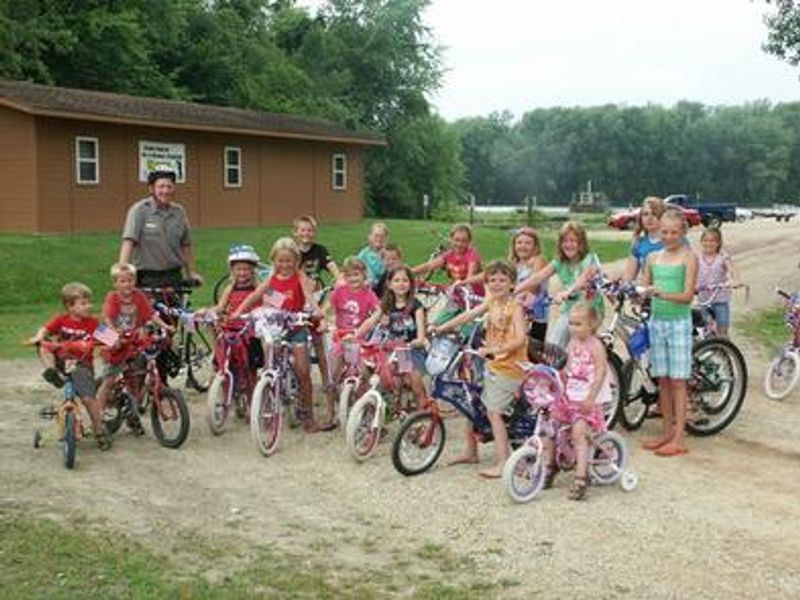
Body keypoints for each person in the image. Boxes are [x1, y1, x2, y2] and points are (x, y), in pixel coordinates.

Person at [430, 260, 527, 478]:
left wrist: (494, 348)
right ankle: (471, 452)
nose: (496, 284)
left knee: (494, 413)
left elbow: (521, 339)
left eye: (502, 280)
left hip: (510, 368)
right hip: (493, 363)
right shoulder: (492, 302)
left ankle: (503, 462)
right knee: (471, 403)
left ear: (512, 284)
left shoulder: (515, 307)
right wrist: (442, 327)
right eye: (492, 280)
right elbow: (470, 315)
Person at [232, 238, 327, 432]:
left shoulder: (299, 277)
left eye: (288, 261)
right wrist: (239, 311)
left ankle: (308, 416)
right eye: (280, 261)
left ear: (296, 261)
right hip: (275, 327)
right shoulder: (271, 277)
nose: (284, 265)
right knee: (269, 366)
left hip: (296, 327)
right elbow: (255, 295)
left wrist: (317, 311)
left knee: (303, 372)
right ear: (273, 260)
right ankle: (266, 404)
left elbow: (309, 295)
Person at [26, 283, 111, 451]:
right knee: (44, 347)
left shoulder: (92, 323)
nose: (89, 306)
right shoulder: (61, 320)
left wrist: (111, 339)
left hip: (81, 365)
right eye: (83, 303)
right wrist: (39, 337)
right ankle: (52, 372)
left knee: (89, 400)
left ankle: (99, 431)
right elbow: (45, 328)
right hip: (61, 362)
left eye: (89, 302)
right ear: (69, 306)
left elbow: (111, 338)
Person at [642, 208, 698, 457]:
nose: (669, 236)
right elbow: (644, 287)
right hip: (657, 322)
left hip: (678, 323)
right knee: (662, 379)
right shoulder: (653, 257)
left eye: (674, 232)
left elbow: (687, 297)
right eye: (664, 231)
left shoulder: (689, 257)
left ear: (683, 232)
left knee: (678, 380)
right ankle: (665, 432)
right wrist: (639, 292)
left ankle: (679, 437)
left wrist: (659, 293)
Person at [543, 302, 611, 500]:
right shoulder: (572, 343)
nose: (573, 327)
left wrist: (592, 397)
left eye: (579, 324)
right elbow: (568, 367)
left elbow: (601, 371)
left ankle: (582, 476)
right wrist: (558, 381)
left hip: (586, 398)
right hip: (569, 395)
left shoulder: (595, 345)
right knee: (551, 427)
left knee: (579, 434)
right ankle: (551, 463)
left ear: (592, 325)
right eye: (571, 323)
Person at [96, 263, 173, 430]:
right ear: (115, 283)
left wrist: (165, 326)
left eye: (130, 280)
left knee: (136, 375)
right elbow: (107, 318)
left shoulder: (139, 296)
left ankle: (133, 413)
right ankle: (97, 415)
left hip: (130, 338)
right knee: (109, 379)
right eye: (122, 281)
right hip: (108, 335)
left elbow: (151, 314)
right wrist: (114, 331)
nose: (127, 284)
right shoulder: (112, 297)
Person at [515, 221, 602, 348]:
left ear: (581, 243)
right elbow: (538, 277)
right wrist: (515, 290)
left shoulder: (590, 259)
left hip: (589, 310)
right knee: (555, 346)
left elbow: (583, 279)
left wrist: (568, 291)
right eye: (565, 241)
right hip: (569, 310)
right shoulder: (559, 262)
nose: (568, 245)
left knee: (567, 345)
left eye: (573, 241)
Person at [355, 265, 429, 409]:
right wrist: (356, 335)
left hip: (410, 350)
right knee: (382, 376)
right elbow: (371, 321)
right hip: (391, 349)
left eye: (405, 280)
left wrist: (418, 341)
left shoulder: (416, 306)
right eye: (396, 280)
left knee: (414, 383)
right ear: (389, 284)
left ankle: (422, 417)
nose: (401, 284)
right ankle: (388, 407)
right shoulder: (385, 304)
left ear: (410, 284)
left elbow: (421, 333)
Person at [119, 165, 202, 289]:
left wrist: (191, 273)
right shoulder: (139, 210)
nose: (166, 191)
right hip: (147, 277)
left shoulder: (179, 212)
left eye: (169, 186)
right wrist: (122, 272)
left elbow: (186, 245)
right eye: (161, 186)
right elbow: (129, 242)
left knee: (177, 309)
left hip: (174, 275)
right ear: (152, 188)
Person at [293, 214, 340, 421]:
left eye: (310, 230)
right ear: (296, 232)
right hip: (295, 300)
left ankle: (326, 383)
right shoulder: (291, 252)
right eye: (302, 230)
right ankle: (296, 390)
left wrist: (337, 281)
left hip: (315, 300)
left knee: (320, 345)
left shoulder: (320, 251)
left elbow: (335, 272)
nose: (306, 234)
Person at [326, 257, 380, 394]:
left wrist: (378, 316)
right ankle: (332, 402)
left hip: (358, 336)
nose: (353, 279)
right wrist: (323, 320)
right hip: (340, 334)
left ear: (364, 275)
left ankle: (364, 395)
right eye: (348, 275)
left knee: (363, 369)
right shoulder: (339, 291)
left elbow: (378, 310)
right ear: (344, 277)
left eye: (356, 275)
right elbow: (328, 307)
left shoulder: (369, 294)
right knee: (334, 368)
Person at [212, 244, 265, 371]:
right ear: (232, 270)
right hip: (233, 328)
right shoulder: (230, 288)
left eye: (246, 269)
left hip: (251, 331)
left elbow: (269, 301)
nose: (242, 273)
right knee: (225, 359)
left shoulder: (258, 287)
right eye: (238, 269)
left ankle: (252, 388)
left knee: (251, 365)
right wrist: (207, 312)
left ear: (253, 269)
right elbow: (220, 307)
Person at [412, 223, 484, 294]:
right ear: (451, 239)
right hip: (458, 293)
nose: (459, 244)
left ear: (469, 242)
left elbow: (470, 276)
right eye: (456, 240)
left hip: (474, 295)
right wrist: (409, 272)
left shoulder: (471, 254)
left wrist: (462, 284)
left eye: (464, 241)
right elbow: (429, 266)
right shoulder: (448, 255)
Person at [509, 227, 549, 343]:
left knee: (534, 349)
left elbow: (533, 285)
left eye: (528, 243)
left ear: (535, 246)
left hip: (536, 314)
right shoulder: (514, 264)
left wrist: (514, 291)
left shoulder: (538, 260)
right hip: (516, 311)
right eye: (519, 243)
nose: (523, 246)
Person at [697, 227, 736, 338]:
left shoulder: (722, 257)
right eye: (705, 240)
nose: (708, 243)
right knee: (703, 326)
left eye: (712, 241)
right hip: (703, 298)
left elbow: (729, 270)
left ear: (718, 243)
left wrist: (730, 280)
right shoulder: (697, 257)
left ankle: (725, 348)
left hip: (720, 298)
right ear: (701, 242)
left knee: (722, 327)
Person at [622, 196, 665, 282]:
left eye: (654, 214)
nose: (649, 218)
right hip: (646, 291)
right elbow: (628, 277)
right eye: (645, 214)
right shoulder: (639, 244)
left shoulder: (675, 241)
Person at [357, 223, 389, 287]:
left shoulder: (389, 253)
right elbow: (355, 269)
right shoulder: (364, 254)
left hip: (386, 286)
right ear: (369, 237)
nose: (379, 239)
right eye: (376, 236)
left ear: (386, 238)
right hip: (369, 286)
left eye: (382, 236)